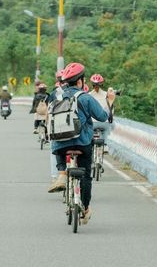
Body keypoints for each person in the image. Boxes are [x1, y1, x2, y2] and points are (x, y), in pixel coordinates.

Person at [47, 62, 110, 225]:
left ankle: (61, 173)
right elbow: (103, 117)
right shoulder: (86, 97)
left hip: (61, 144)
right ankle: (86, 208)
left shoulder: (57, 96)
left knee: (58, 148)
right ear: (80, 81)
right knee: (86, 176)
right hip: (82, 143)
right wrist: (110, 101)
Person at [87, 74, 117, 153]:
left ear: (92, 84)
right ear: (101, 84)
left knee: (89, 132)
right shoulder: (107, 95)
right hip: (105, 122)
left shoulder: (88, 95)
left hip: (92, 123)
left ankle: (90, 145)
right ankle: (105, 145)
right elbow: (111, 110)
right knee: (107, 128)